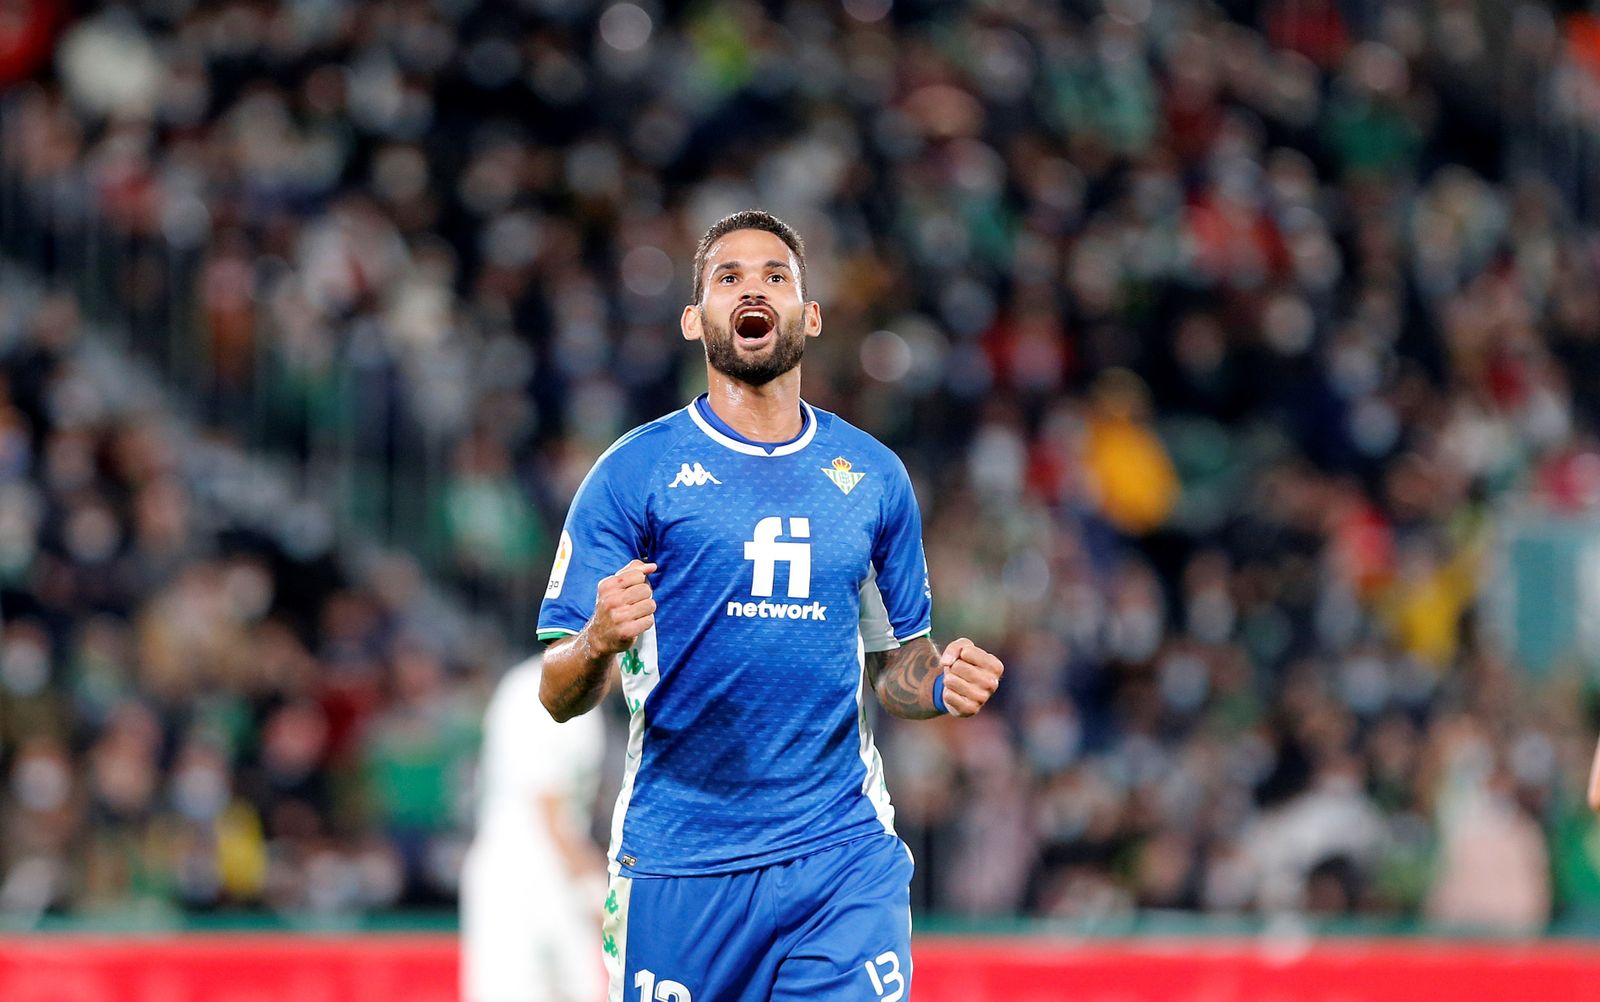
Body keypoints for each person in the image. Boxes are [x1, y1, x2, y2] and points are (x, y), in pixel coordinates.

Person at [536, 209, 1005, 1002]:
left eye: (775, 276)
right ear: (695, 319)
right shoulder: (633, 474)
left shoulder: (874, 476)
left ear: (809, 315)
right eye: (729, 277)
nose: (753, 288)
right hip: (683, 859)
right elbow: (556, 694)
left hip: (839, 852)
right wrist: (595, 642)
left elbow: (896, 667)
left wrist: (937, 682)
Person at [460, 655, 606, 1002]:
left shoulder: (525, 679)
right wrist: (597, 890)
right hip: (529, 874)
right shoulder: (558, 686)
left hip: (523, 866)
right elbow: (549, 808)